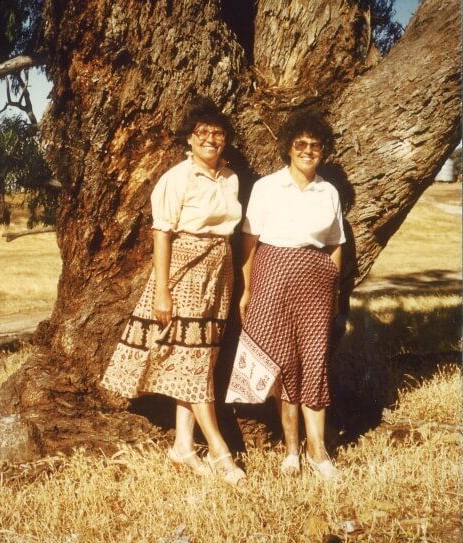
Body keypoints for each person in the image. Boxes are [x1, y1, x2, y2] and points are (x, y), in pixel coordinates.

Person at [101, 96, 246, 485]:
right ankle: (219, 451)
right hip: (184, 270)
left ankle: (183, 445)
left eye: (218, 134)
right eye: (204, 134)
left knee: (200, 361)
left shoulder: (231, 178)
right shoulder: (176, 178)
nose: (211, 140)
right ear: (191, 138)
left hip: (220, 270)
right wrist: (163, 291)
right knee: (191, 362)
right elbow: (162, 234)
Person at [225, 110, 345, 480]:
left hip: (316, 284)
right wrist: (247, 289)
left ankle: (318, 451)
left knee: (314, 361)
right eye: (301, 144)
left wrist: (335, 289)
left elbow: (335, 243)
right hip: (273, 277)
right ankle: (291, 450)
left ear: (322, 151)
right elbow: (249, 242)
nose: (308, 151)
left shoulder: (329, 191)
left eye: (315, 145)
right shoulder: (266, 187)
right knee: (281, 362)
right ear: (289, 148)